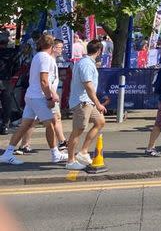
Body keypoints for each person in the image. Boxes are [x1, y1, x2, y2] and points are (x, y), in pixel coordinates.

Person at [1, 34, 66, 165]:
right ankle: (55, 154)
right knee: (51, 125)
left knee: (25, 125)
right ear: (51, 45)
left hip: (33, 95)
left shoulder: (38, 56)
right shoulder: (45, 58)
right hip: (39, 96)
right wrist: (49, 97)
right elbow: (44, 80)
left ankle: (8, 153)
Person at [65, 39, 107, 170]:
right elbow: (88, 86)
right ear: (99, 51)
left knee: (100, 122)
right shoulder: (87, 64)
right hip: (82, 102)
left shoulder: (86, 62)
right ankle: (70, 161)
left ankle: (83, 152)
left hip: (87, 101)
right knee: (77, 131)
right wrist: (98, 103)